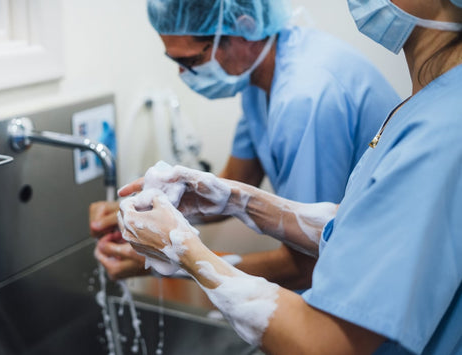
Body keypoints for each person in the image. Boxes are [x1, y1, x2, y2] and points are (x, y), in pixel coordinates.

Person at [117, 0, 462, 353]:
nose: (183, 74)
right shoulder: (431, 99)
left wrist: (183, 253)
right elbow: (361, 228)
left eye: (190, 60)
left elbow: (324, 341)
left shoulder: (436, 126)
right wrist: (236, 199)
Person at [90, 0, 400, 289]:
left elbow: (309, 266)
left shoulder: (305, 98)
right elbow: (227, 191)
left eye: (191, 60)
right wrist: (133, 210)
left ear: (244, 26)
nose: (183, 74)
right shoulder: (261, 78)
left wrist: (174, 264)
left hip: (382, 279)